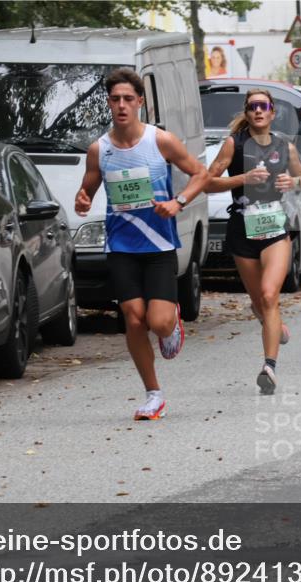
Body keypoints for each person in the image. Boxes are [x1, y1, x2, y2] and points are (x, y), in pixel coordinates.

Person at [74, 68, 209, 420]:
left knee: (157, 321)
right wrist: (83, 199)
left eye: (128, 99)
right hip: (121, 247)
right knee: (134, 319)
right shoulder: (99, 149)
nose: (121, 106)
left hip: (159, 245)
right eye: (115, 99)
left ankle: (171, 324)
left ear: (140, 103)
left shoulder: (159, 140)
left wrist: (178, 202)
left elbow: (200, 173)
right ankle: (153, 394)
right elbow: (87, 188)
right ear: (108, 103)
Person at [206, 89, 301, 394]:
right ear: (248, 113)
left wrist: (293, 182)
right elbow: (208, 183)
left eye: (264, 106)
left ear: (272, 112)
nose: (258, 111)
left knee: (268, 295)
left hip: (276, 228)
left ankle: (269, 367)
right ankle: (274, 323)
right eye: (253, 107)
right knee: (259, 304)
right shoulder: (233, 144)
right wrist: (242, 179)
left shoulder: (284, 146)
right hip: (243, 229)